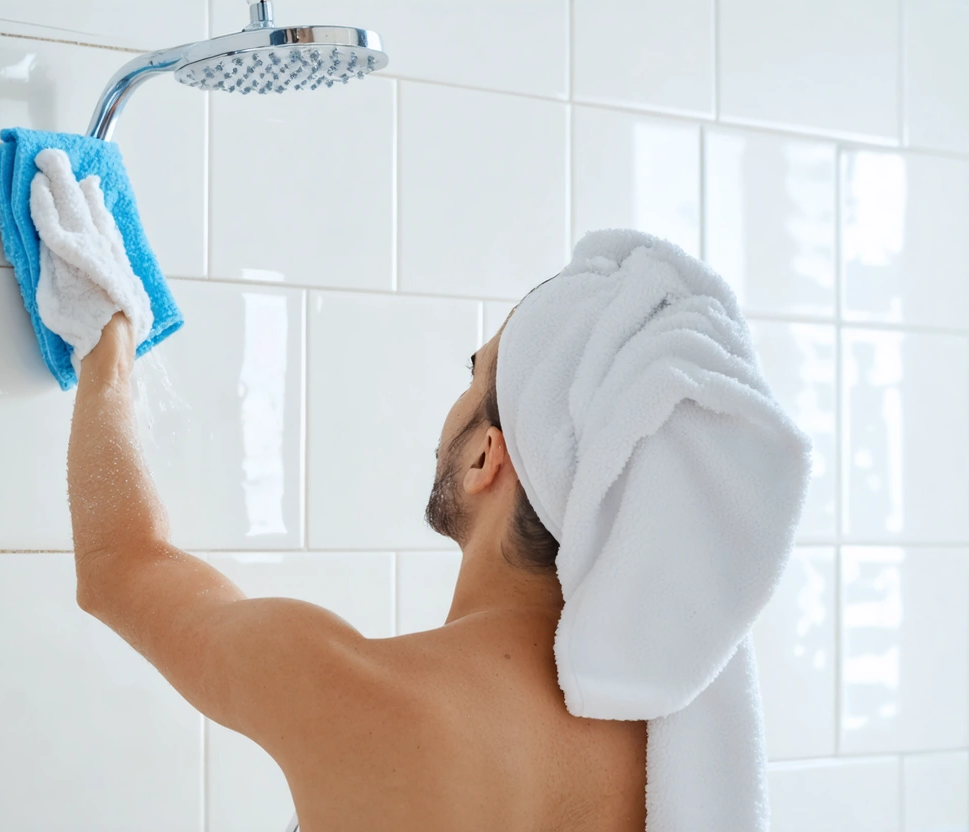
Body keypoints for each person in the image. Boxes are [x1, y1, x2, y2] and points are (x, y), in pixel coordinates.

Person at [70, 308, 647, 832]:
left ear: (485, 457)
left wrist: (109, 354)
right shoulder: (662, 741)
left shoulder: (362, 692)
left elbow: (119, 563)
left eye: (475, 374)